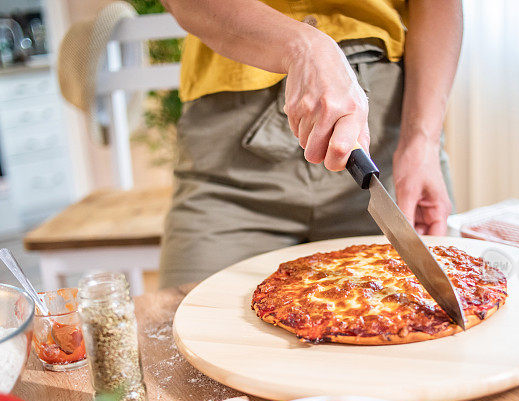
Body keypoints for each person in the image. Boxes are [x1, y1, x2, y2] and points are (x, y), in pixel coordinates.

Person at [158, 0, 462, 287]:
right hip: (227, 157)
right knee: (185, 326)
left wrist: (422, 142)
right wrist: (302, 47)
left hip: (388, 146)